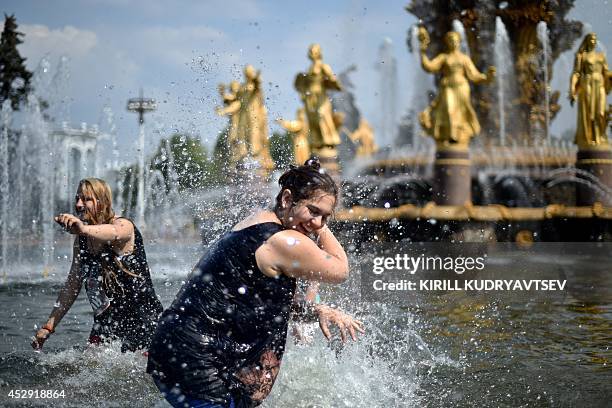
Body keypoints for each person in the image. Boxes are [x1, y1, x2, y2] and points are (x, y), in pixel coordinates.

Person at [147, 159, 364, 408]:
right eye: (313, 211)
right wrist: (321, 229)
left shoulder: (260, 221)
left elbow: (256, 302)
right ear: (286, 199)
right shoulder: (284, 239)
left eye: (326, 217)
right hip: (197, 359)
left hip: (183, 349)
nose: (317, 222)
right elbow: (340, 269)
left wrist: (315, 310)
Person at [31, 178, 163, 353]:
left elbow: (115, 233)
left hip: (144, 321)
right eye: (77, 198)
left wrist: (83, 229)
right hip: (106, 323)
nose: (79, 204)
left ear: (103, 201)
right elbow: (72, 284)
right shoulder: (82, 240)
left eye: (86, 199)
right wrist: (48, 326)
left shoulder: (124, 225)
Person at [417, 29, 495, 148]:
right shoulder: (443, 57)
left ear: (459, 42)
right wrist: (422, 51)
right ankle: (450, 136)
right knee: (449, 109)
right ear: (447, 42)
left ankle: (460, 136)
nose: (453, 42)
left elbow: (474, 75)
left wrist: (488, 77)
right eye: (450, 40)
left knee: (463, 111)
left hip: (462, 87)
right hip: (448, 86)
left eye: (455, 40)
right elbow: (429, 67)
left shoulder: (464, 58)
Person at [569, 32, 610, 148]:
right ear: (586, 41)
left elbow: (606, 72)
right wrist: (572, 89)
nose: (593, 41)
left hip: (599, 84)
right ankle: (591, 140)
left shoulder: (601, 56)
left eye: (595, 39)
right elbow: (576, 73)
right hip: (587, 84)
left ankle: (601, 137)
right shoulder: (581, 56)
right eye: (591, 39)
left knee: (601, 112)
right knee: (590, 113)